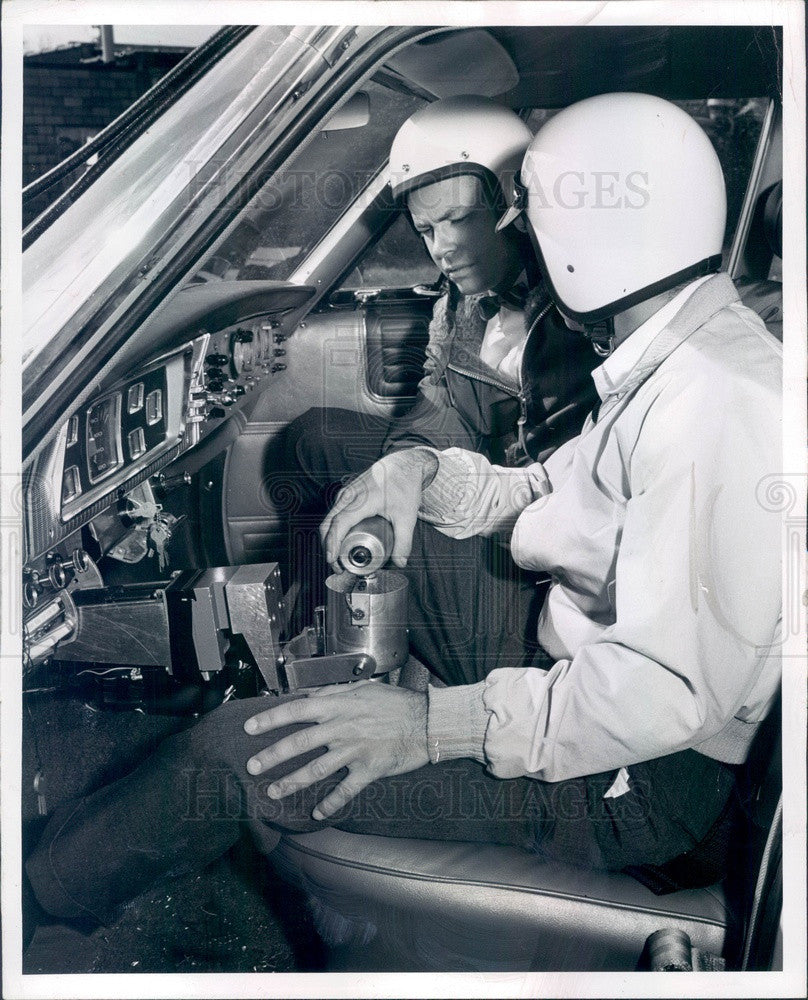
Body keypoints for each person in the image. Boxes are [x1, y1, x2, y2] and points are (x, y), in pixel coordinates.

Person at [26, 93, 781, 927]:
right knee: (367, 514)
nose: (520, 239)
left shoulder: (717, 405)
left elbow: (658, 695)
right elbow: (541, 490)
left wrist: (427, 723)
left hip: (646, 778)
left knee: (239, 754)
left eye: (533, 220)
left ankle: (36, 901)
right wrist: (417, 470)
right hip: (577, 663)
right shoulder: (676, 360)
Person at [275, 97, 598, 617]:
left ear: (514, 205)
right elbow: (435, 412)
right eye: (426, 230)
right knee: (313, 439)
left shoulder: (588, 306)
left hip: (549, 570)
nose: (440, 249)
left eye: (459, 219)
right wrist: (406, 465)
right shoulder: (461, 300)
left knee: (365, 533)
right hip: (478, 490)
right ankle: (300, 630)